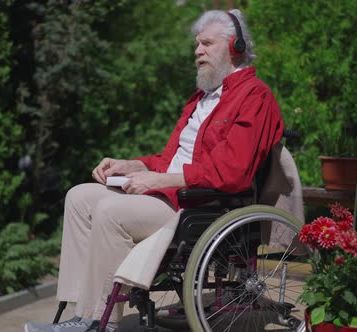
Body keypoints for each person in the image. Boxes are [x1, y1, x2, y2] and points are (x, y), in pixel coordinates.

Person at [24, 8, 284, 332]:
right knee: (78, 197)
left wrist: (160, 179)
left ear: (236, 47)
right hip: (172, 192)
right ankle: (80, 313)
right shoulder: (201, 100)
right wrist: (134, 165)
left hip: (198, 206)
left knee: (109, 210)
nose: (197, 51)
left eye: (206, 43)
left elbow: (232, 171)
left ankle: (99, 323)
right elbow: (171, 158)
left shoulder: (254, 97)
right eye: (196, 44)